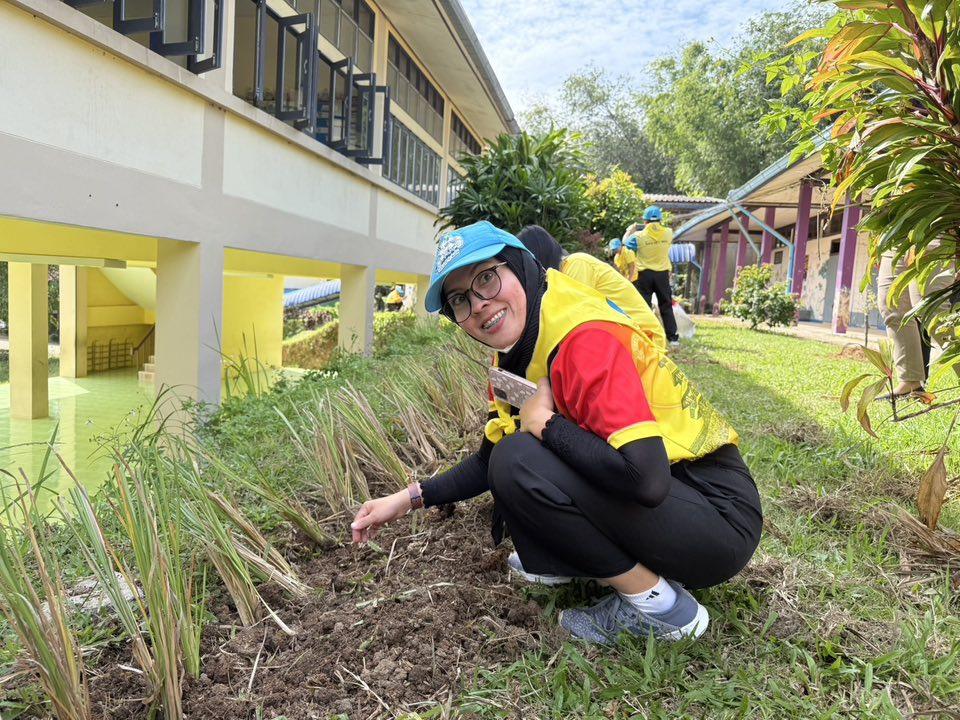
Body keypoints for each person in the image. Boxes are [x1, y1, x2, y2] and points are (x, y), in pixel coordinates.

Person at [351, 221, 762, 645]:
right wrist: (404, 500)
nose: (478, 305)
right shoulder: (516, 356)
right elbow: (487, 460)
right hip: (680, 502)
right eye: (460, 299)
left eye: (487, 279)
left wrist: (545, 424)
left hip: (716, 517)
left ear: (521, 267)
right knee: (509, 459)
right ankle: (580, 560)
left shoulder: (582, 338)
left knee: (519, 459)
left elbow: (648, 479)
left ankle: (663, 608)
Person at [516, 225, 666, 350]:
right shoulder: (560, 276)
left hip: (646, 339)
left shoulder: (576, 265)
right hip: (626, 336)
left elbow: (570, 324)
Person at [629, 206, 680, 347]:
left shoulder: (638, 236)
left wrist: (632, 230)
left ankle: (644, 335)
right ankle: (673, 338)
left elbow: (626, 245)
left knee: (643, 306)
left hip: (644, 275)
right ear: (660, 219)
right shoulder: (668, 233)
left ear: (644, 220)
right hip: (662, 274)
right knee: (666, 305)